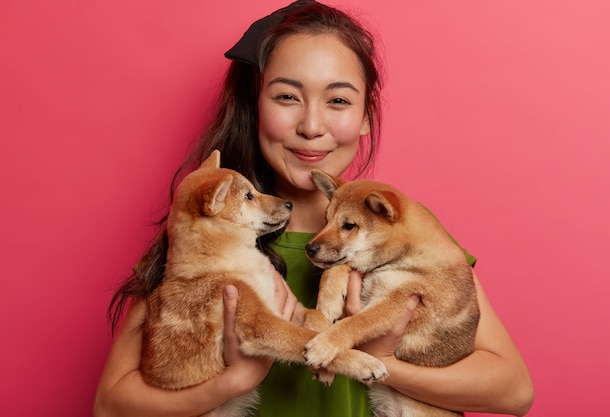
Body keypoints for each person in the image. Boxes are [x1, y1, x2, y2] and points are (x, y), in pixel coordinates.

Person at [93, 1, 534, 416]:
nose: (311, 126)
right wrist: (232, 382)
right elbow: (111, 404)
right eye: (287, 97)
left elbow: (512, 389)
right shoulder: (208, 237)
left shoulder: (403, 237)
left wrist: (370, 359)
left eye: (338, 100)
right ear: (255, 107)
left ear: (365, 116)